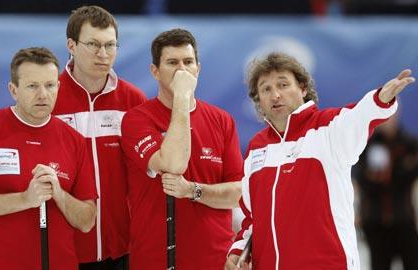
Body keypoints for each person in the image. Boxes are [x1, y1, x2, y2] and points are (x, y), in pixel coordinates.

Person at [225, 52, 415, 270]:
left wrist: (382, 99)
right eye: (266, 89)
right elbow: (251, 218)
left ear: (303, 88)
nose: (275, 94)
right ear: (258, 99)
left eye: (283, 84)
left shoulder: (328, 129)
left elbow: (360, 116)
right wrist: (238, 251)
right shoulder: (257, 147)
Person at [0, 47, 97, 270]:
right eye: (32, 86)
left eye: (49, 85)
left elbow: (87, 221)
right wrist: (25, 200)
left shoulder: (73, 139)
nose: (43, 94)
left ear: (58, 86)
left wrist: (59, 193)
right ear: (13, 90)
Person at [120, 28, 243, 270]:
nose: (182, 70)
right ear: (154, 71)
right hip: (156, 260)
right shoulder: (137, 120)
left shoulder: (222, 120)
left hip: (215, 260)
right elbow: (174, 164)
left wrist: (193, 191)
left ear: (199, 68)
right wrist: (182, 99)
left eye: (188, 62)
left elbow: (239, 193)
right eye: (172, 63)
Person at [51, 5, 147, 270]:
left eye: (110, 45)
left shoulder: (133, 100)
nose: (103, 54)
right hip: (64, 249)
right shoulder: (50, 99)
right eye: (93, 44)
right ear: (71, 45)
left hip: (123, 248)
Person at [354, 113, 418, 270]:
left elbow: (409, 176)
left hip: (403, 218)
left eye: (392, 116)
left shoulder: (409, 143)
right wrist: (399, 169)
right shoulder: (366, 145)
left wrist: (387, 174)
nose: (388, 121)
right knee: (379, 264)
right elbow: (363, 180)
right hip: (374, 221)